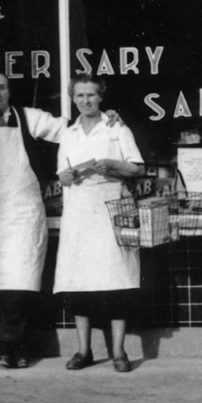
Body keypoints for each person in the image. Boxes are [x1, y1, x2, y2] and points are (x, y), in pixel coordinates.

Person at [0, 71, 119, 370]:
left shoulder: (29, 118)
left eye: (1, 88)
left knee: (22, 278)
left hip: (24, 213)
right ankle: (11, 344)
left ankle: (11, 344)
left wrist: (106, 118)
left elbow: (73, 128)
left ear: (9, 91)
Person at [53, 76, 145, 374]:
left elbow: (137, 168)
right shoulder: (69, 133)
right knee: (79, 283)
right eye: (79, 95)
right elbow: (62, 175)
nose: (85, 100)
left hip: (110, 210)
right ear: (72, 98)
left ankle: (118, 351)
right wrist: (65, 177)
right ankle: (83, 350)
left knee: (114, 280)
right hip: (79, 213)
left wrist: (113, 165)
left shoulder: (117, 128)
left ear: (100, 97)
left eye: (91, 95)